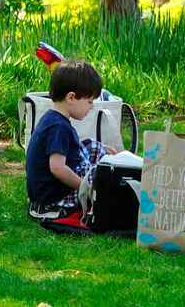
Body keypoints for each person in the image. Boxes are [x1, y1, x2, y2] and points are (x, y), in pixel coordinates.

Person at [26, 59, 119, 233]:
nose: (91, 108)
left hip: (44, 195)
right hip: (54, 199)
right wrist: (86, 188)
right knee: (102, 178)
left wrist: (99, 149)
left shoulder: (53, 118)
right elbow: (57, 169)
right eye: (90, 102)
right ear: (71, 97)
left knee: (94, 147)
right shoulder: (58, 127)